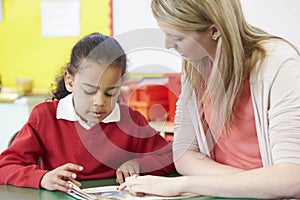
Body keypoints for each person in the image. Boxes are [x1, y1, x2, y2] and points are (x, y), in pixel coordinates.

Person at [120, 0, 300, 198]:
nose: (168, 45)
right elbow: (183, 155)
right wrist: (258, 184)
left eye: (176, 37)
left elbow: (292, 178)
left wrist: (182, 185)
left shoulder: (278, 63)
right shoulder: (194, 68)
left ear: (214, 30)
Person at [0, 32, 175, 193]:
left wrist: (139, 164)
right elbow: (5, 167)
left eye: (110, 93)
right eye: (90, 91)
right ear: (70, 81)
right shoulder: (45, 117)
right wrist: (42, 178)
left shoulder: (131, 121)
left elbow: (171, 157)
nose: (100, 102)